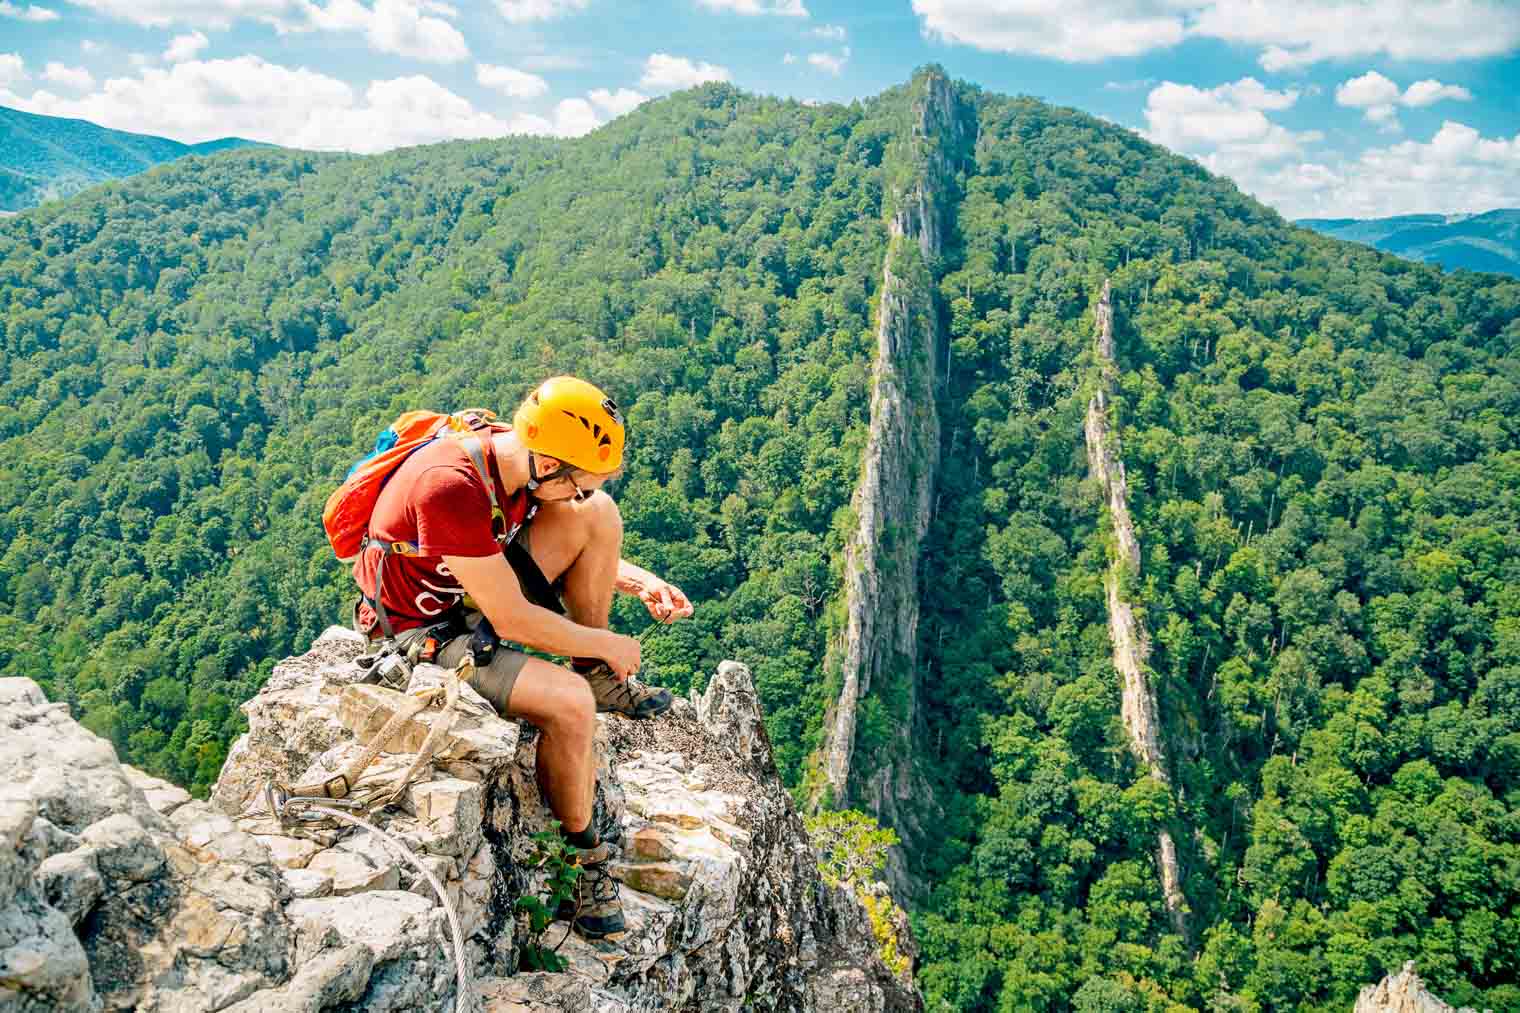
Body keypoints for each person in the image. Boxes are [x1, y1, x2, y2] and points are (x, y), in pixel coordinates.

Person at [350, 375, 693, 938]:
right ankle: (584, 867)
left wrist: (639, 582)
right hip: (425, 633)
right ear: (550, 464)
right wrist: (609, 643)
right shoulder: (450, 486)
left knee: (600, 516)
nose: (577, 494)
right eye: (577, 482)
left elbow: (520, 551)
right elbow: (511, 617)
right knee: (570, 704)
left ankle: (599, 678)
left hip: (472, 590)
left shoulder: (512, 461)